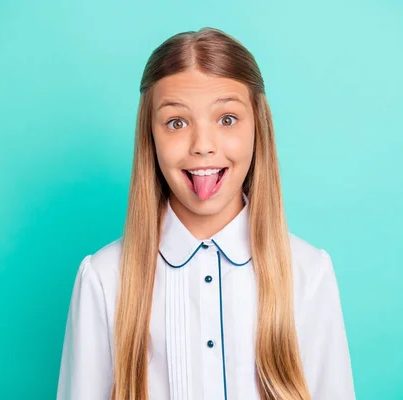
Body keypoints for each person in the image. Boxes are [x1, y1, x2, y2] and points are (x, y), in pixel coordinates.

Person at [56, 27, 356, 400]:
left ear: (257, 130)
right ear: (150, 137)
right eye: (176, 123)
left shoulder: (309, 273)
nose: (202, 147)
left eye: (226, 119)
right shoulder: (103, 279)